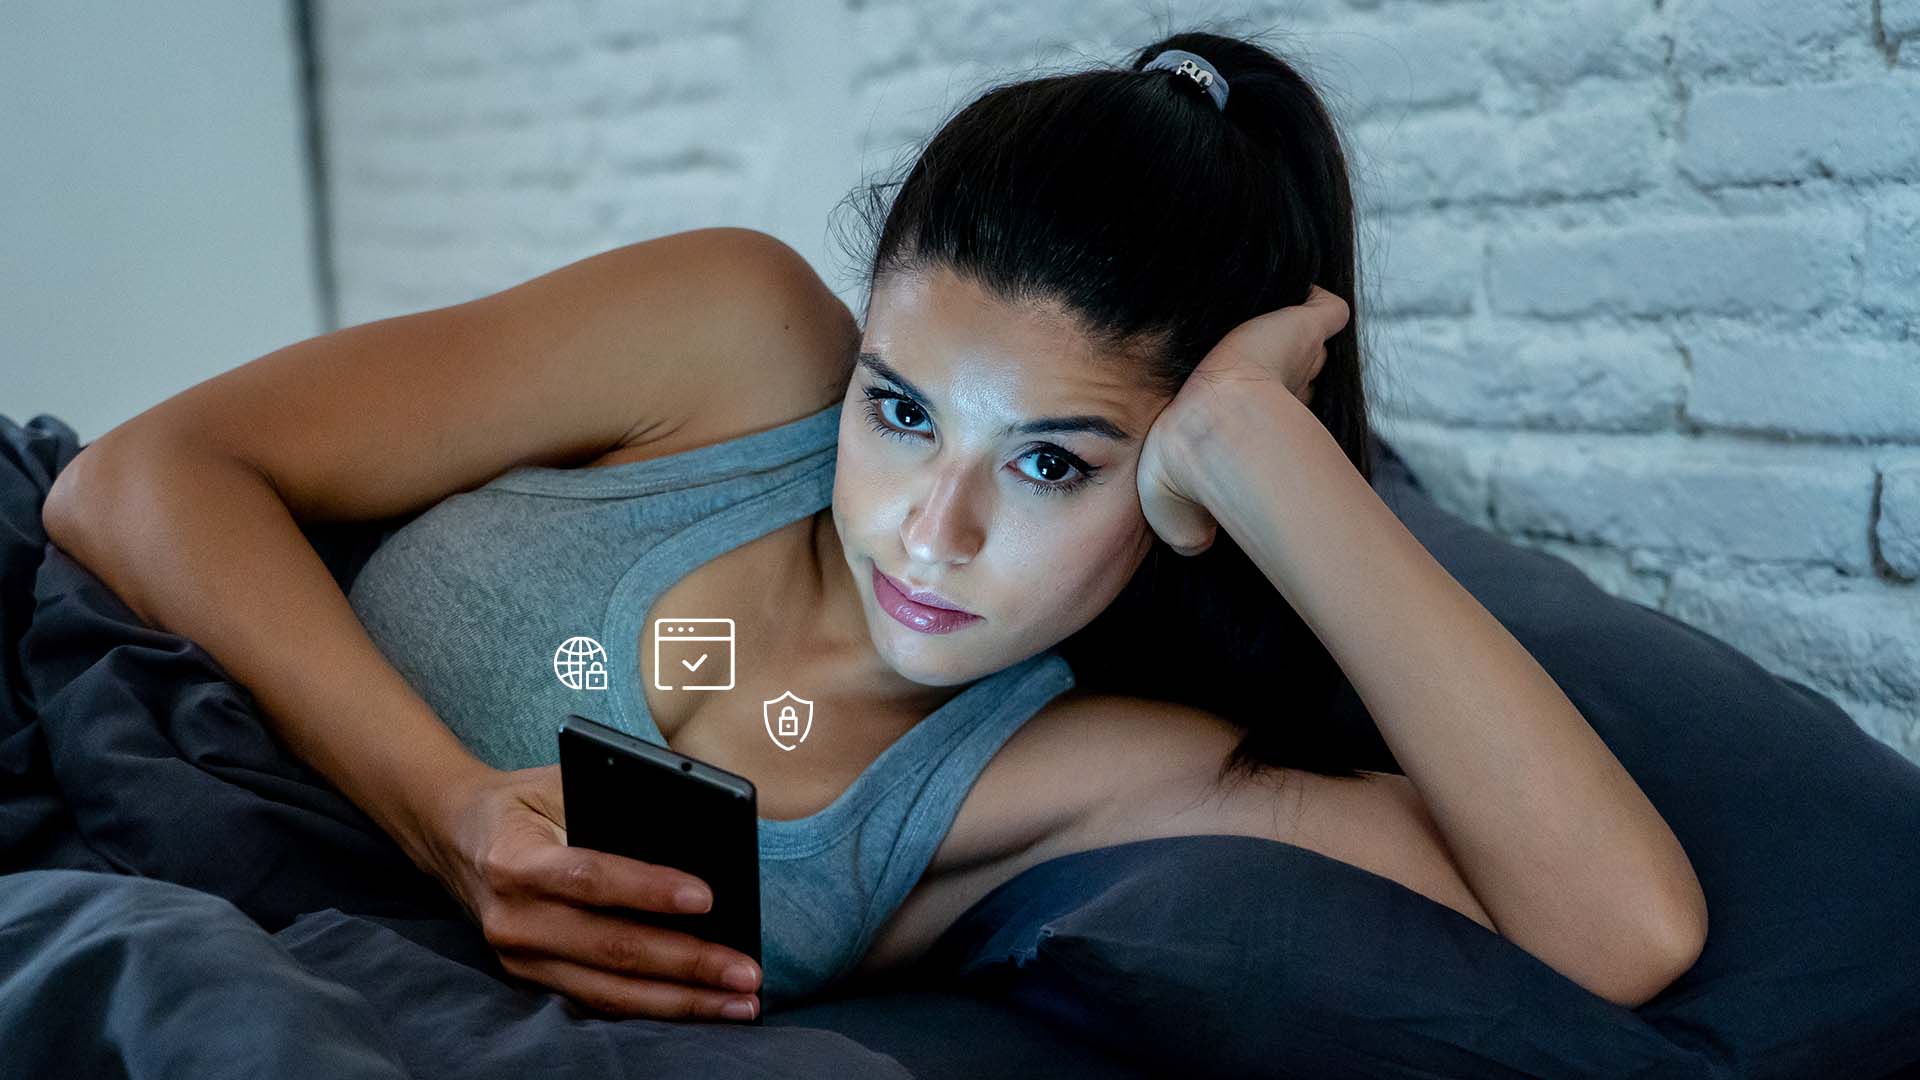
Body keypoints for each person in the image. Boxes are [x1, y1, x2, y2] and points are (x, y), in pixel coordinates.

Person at [42, 29, 1707, 1026]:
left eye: (1056, 465)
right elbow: (132, 482)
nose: (932, 527)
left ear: (1180, 488)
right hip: (95, 710)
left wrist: (1267, 450)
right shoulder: (734, 336)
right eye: (902, 408)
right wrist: (447, 815)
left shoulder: (1073, 768)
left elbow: (1623, 932)